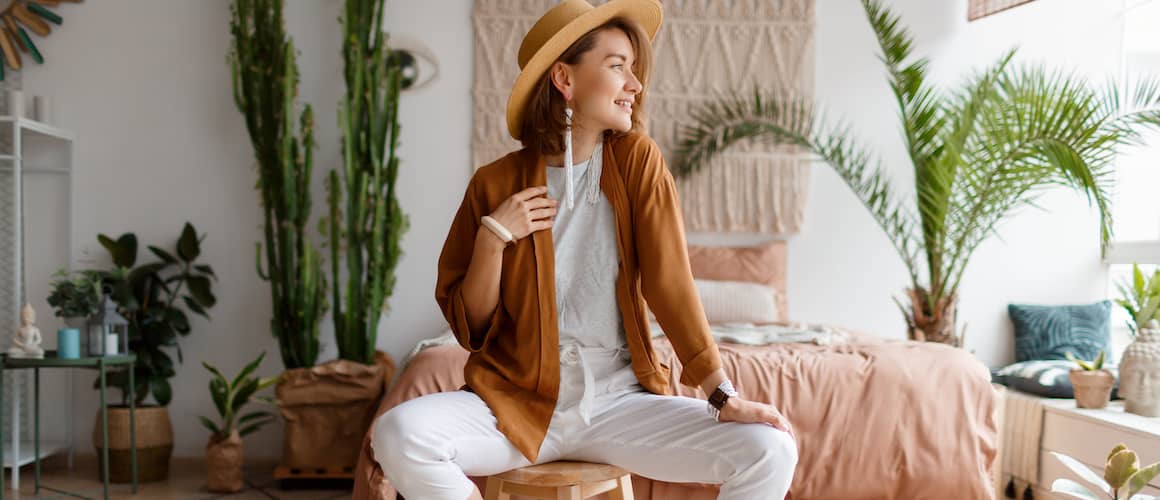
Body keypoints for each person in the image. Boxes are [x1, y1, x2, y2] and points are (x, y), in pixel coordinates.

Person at [370, 1, 797, 498]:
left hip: (620, 405)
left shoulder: (637, 160)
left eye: (634, 70)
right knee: (396, 432)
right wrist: (493, 237)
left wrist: (719, 392)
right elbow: (474, 328)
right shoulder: (495, 182)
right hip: (516, 404)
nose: (634, 85)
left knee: (770, 448)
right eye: (618, 66)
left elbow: (669, 282)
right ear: (564, 80)